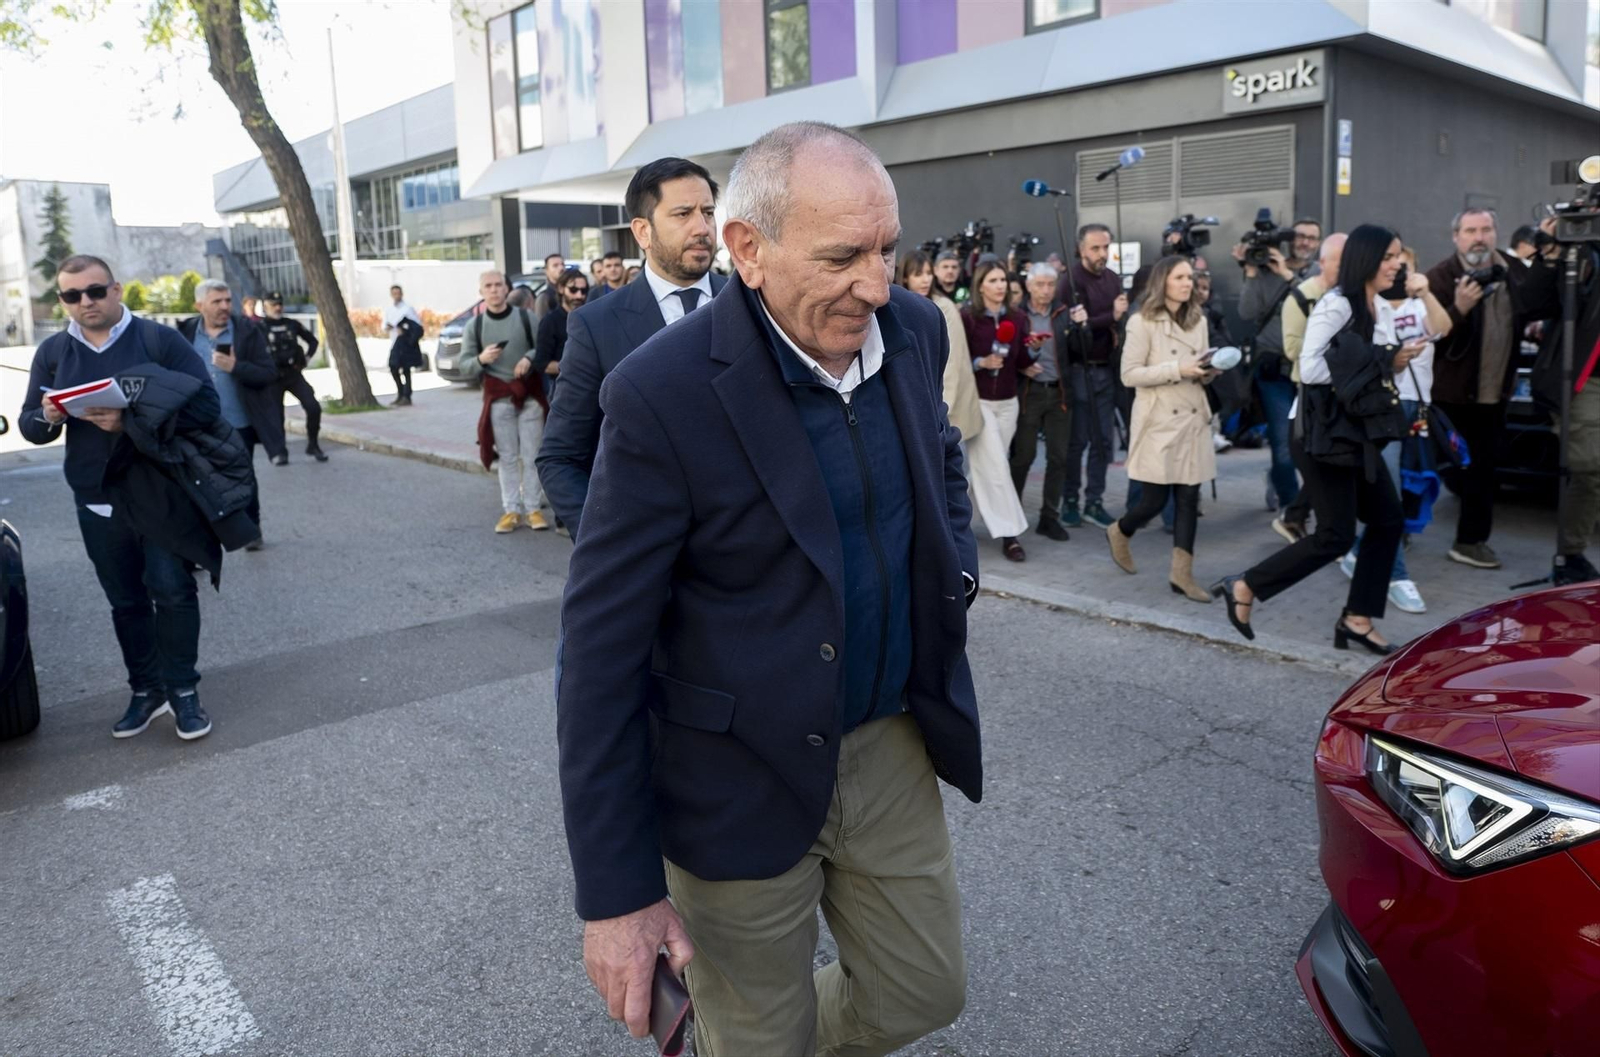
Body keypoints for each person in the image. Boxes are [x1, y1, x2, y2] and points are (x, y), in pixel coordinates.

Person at [557, 119, 978, 1057]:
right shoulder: (660, 392)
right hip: (732, 774)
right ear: (748, 248)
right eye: (842, 256)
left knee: (924, 990)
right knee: (759, 1038)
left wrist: (956, 567)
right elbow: (599, 653)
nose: (876, 283)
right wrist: (618, 893)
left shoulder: (909, 330)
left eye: (887, 248)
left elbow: (940, 457)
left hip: (888, 745)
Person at [20, 255, 227, 740]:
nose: (85, 303)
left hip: (162, 492)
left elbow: (206, 406)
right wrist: (50, 416)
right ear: (63, 301)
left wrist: (130, 420)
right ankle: (146, 691)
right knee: (126, 601)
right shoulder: (53, 352)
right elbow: (30, 426)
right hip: (95, 497)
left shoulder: (157, 340)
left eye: (94, 291)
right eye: (72, 296)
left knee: (172, 591)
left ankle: (184, 691)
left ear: (116, 290)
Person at [1217, 224, 1419, 655]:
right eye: (1388, 257)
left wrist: (1395, 361)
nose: (1396, 264)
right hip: (1319, 433)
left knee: (1387, 520)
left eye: (1398, 256)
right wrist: (1384, 359)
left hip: (1356, 433)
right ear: (1366, 259)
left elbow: (1367, 372)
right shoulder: (1337, 305)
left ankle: (1356, 619)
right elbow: (1309, 369)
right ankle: (1246, 584)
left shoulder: (1379, 308)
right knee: (1335, 536)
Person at [537, 157, 728, 540]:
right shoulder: (597, 325)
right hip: (655, 565)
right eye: (682, 214)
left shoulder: (754, 306)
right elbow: (559, 457)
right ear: (642, 231)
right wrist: (606, 543)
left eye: (708, 212)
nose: (702, 227)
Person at [1426, 208, 1555, 569]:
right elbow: (1424, 339)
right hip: (1447, 397)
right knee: (1422, 468)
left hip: (1494, 394)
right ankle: (1396, 533)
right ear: (1456, 237)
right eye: (1470, 230)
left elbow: (1539, 304)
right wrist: (1458, 308)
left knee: (1483, 471)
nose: (1478, 237)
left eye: (1485, 229)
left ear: (1496, 233)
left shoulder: (1515, 272)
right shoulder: (1439, 277)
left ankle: (1470, 542)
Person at [1338, 248, 1451, 614]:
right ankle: (1396, 576)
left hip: (1416, 409)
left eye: (1406, 266)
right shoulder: (1371, 308)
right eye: (1391, 265)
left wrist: (1426, 292)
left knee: (1407, 491)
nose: (1398, 272)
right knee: (1388, 495)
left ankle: (1357, 553)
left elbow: (1444, 328)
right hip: (1382, 410)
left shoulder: (1420, 307)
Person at [1104, 256, 1217, 601]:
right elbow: (1129, 375)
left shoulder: (1199, 320)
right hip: (1159, 421)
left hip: (1193, 416)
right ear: (1163, 281)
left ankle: (1182, 575)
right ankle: (1120, 531)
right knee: (1153, 500)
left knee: (1188, 498)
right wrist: (1178, 367)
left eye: (1190, 277)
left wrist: (1208, 370)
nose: (1188, 283)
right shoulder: (1141, 322)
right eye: (1180, 277)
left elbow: (1198, 364)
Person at [177, 279, 281, 547]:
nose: (225, 306)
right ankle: (201, 542)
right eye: (217, 301)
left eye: (227, 300)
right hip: (197, 424)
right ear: (199, 305)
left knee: (243, 477)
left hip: (238, 423)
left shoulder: (246, 331)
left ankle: (252, 530)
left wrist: (236, 366)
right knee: (197, 481)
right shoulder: (185, 333)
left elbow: (268, 373)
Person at [1238, 218, 1323, 538]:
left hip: (1309, 371)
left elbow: (1320, 307)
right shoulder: (1264, 270)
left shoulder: (1318, 274)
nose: (1304, 242)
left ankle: (1279, 480)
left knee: (1310, 443)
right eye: (1299, 236)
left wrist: (1288, 276)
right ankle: (1292, 511)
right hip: (1273, 371)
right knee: (1283, 443)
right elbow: (1246, 312)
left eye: (1311, 238)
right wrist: (1250, 271)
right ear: (1288, 239)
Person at [457, 270, 549, 533]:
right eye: (489, 285)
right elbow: (464, 366)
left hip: (530, 397)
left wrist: (529, 358)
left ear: (507, 289)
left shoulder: (525, 317)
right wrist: (481, 360)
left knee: (532, 455)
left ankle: (533, 509)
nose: (495, 290)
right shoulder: (474, 326)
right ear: (481, 292)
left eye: (499, 285)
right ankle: (511, 510)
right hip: (498, 399)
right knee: (508, 457)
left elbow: (543, 347)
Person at [1277, 233, 1348, 542]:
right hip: (1311, 395)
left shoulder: (1353, 296)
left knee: (1332, 462)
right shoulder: (1300, 297)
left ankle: (1300, 517)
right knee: (1322, 459)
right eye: (1340, 261)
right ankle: (1320, 526)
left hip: (1341, 391)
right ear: (1322, 263)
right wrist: (1335, 345)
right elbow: (1292, 349)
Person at [1056, 224, 1127, 530]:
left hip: (1106, 370)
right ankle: (1070, 500)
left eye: (1106, 247)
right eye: (1095, 248)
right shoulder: (1069, 281)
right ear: (1081, 249)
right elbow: (1072, 326)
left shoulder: (1113, 279)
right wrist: (1111, 316)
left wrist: (1117, 321)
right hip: (1079, 370)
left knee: (1103, 443)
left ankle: (1094, 501)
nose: (1102, 254)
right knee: (1078, 441)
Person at [963, 258, 1034, 562]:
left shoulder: (1018, 319)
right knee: (996, 468)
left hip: (1009, 402)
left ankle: (957, 521)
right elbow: (956, 360)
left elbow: (1019, 359)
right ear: (980, 286)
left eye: (1003, 280)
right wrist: (981, 362)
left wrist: (1034, 353)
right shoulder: (967, 317)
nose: (1000, 286)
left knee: (988, 468)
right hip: (979, 402)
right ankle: (1011, 534)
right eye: (992, 280)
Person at [1008, 262, 1072, 541]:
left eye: (1050, 284)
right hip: (1029, 392)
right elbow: (1008, 352)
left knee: (1058, 458)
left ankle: (1049, 516)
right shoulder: (1018, 314)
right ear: (1029, 286)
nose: (1046, 290)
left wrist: (1082, 328)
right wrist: (1022, 365)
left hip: (1059, 392)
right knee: (1023, 457)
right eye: (1040, 284)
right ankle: (1012, 516)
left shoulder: (1064, 313)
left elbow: (1080, 350)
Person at [899, 252, 982, 447]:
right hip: (915, 404)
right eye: (918, 274)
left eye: (928, 273)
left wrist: (942, 411)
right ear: (905, 277)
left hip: (944, 408)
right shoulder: (896, 307)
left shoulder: (944, 307)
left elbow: (952, 362)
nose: (925, 279)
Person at [259, 292, 327, 463]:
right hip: (273, 377)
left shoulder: (291, 324)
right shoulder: (259, 327)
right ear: (265, 306)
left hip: (293, 374)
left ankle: (313, 444)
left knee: (313, 407)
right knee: (277, 416)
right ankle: (280, 452)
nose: (277, 307)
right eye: (273, 304)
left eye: (279, 304)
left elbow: (313, 341)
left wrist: (306, 359)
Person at [534, 267, 589, 405]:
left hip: (590, 389)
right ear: (560, 289)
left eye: (583, 291)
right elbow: (542, 363)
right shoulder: (550, 321)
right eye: (573, 290)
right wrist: (575, 368)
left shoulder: (590, 317)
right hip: (561, 389)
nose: (579, 296)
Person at [382, 285, 423, 406]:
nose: (396, 296)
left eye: (398, 293)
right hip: (394, 342)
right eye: (394, 293)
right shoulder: (389, 310)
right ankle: (400, 393)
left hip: (405, 344)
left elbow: (416, 326)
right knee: (393, 367)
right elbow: (384, 326)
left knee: (406, 369)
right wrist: (389, 327)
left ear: (401, 294)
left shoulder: (408, 309)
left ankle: (407, 395)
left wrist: (404, 330)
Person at [533, 253, 566, 319]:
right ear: (547, 270)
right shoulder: (544, 297)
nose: (561, 268)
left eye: (562, 264)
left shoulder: (571, 291)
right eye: (555, 265)